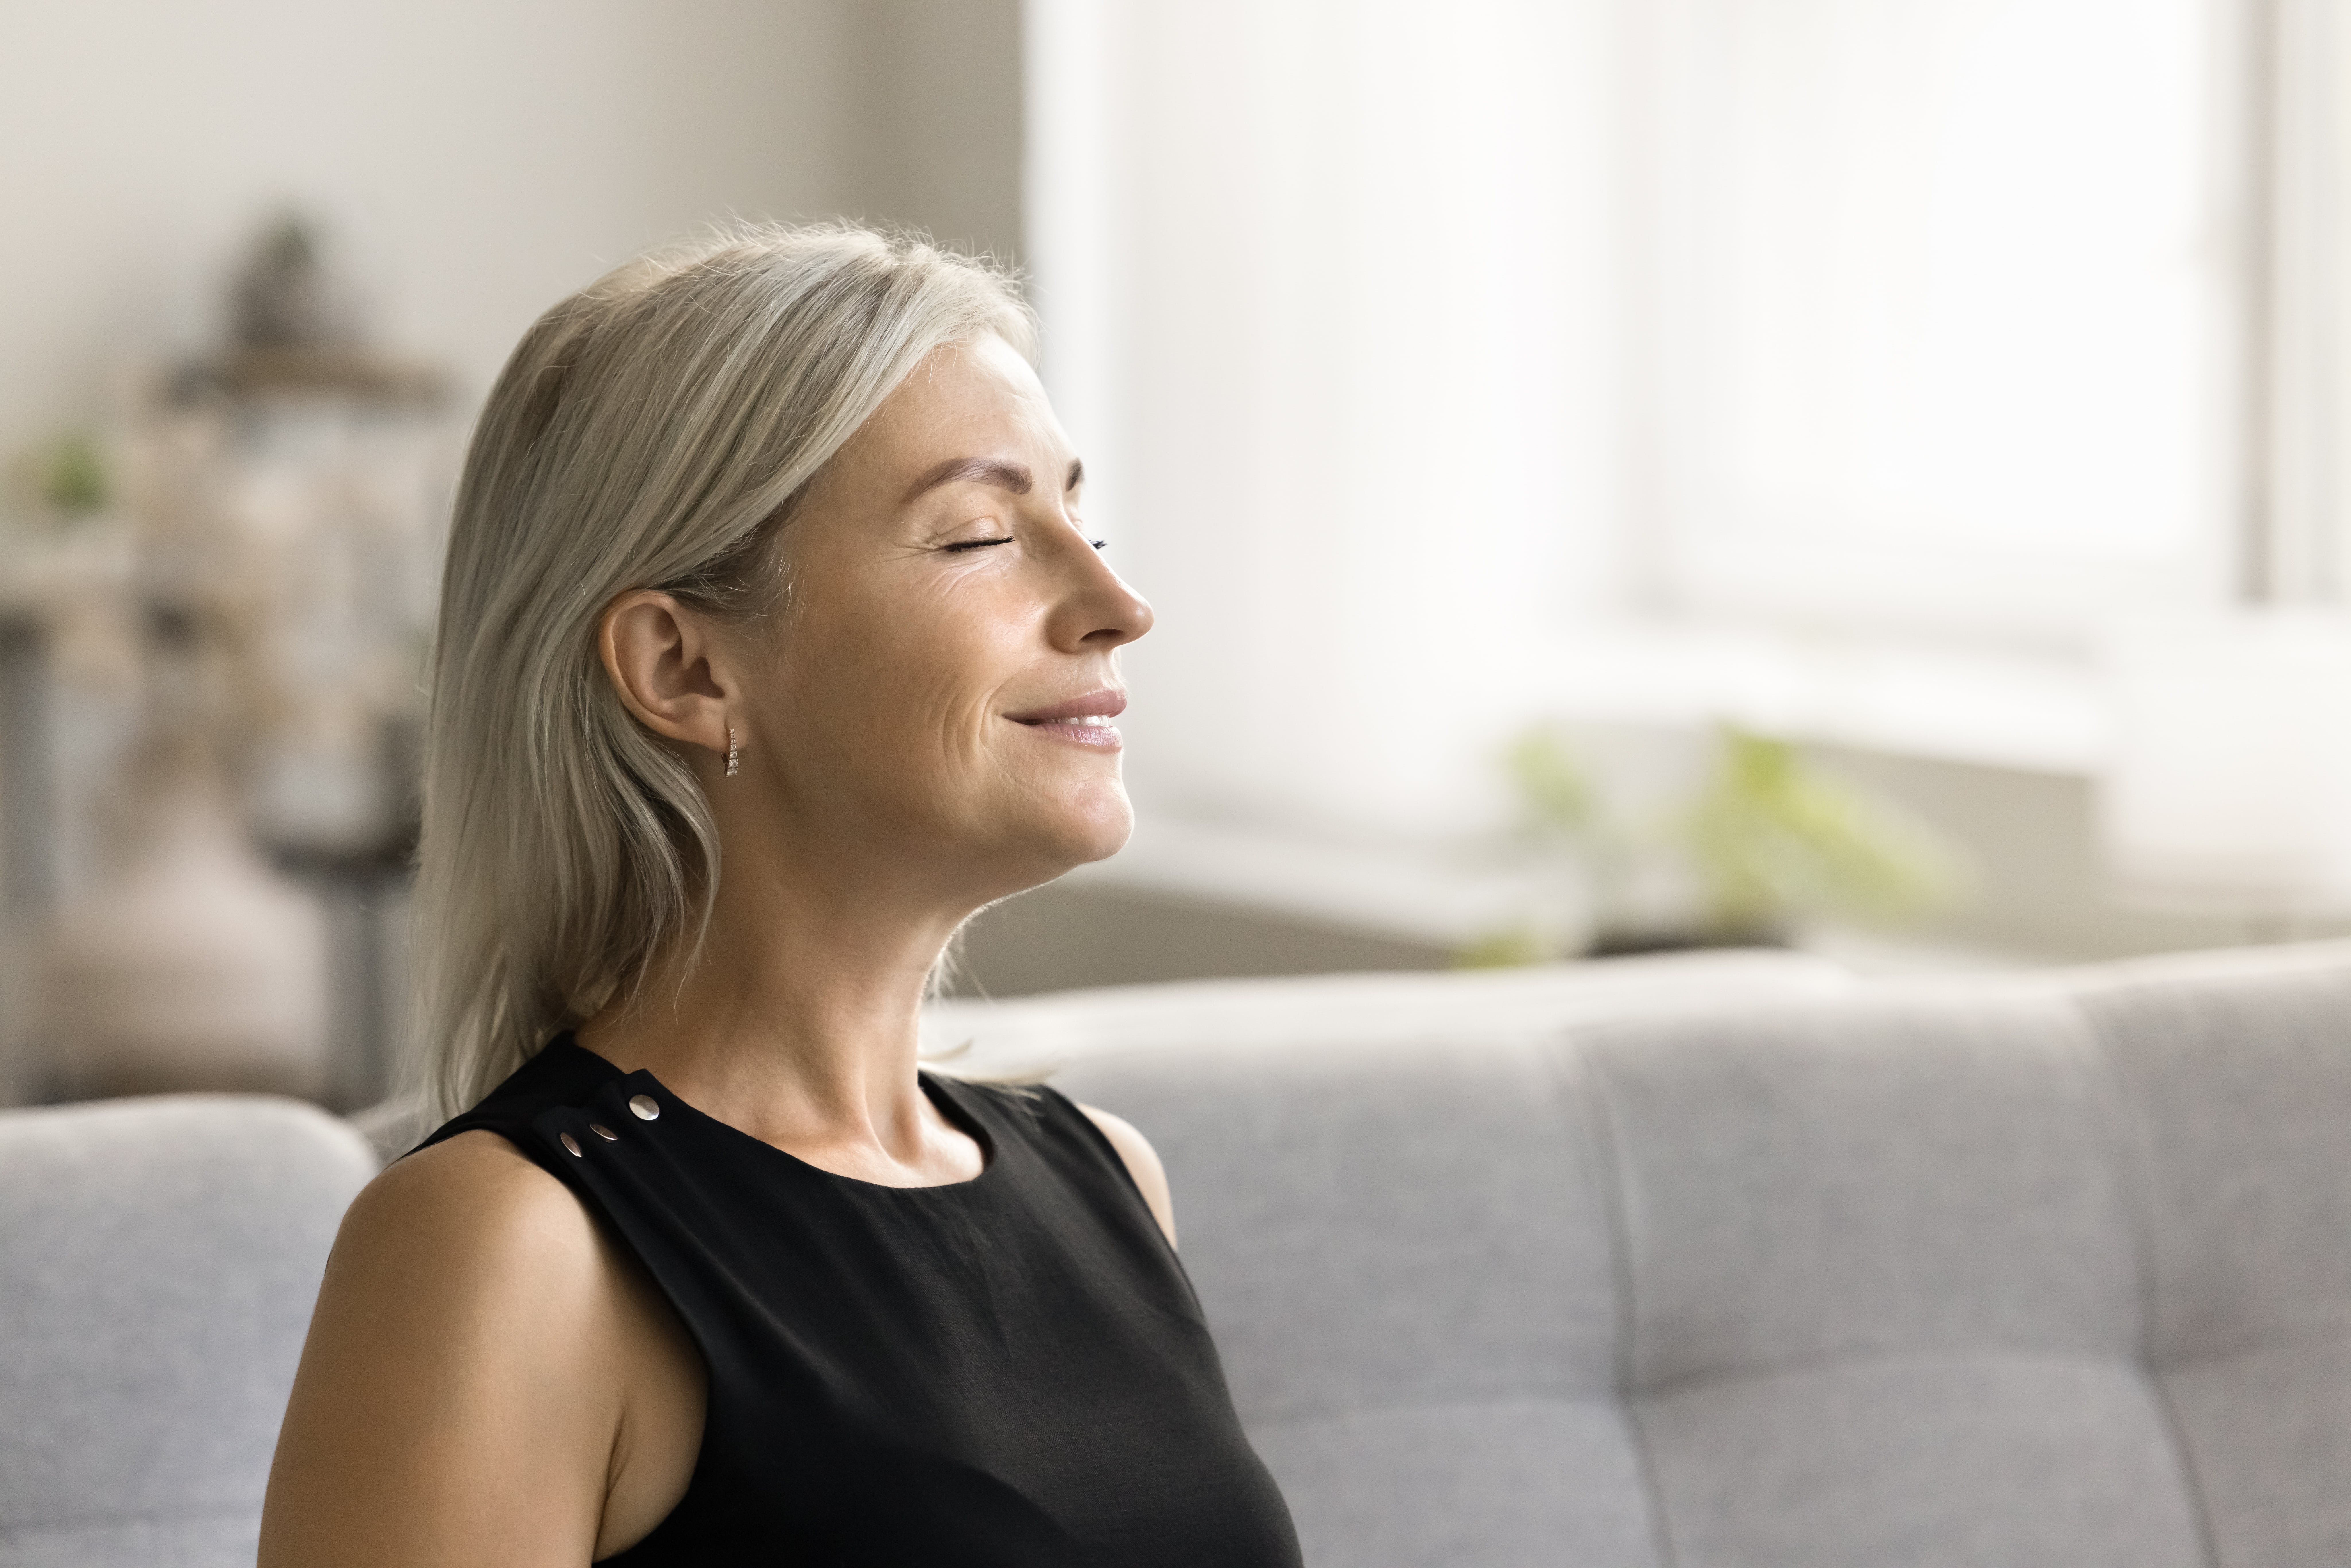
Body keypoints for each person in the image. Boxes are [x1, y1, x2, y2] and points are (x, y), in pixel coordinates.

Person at [258, 223, 1301, 1566]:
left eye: (1082, 522)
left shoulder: (1107, 1179)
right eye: (982, 535)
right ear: (685, 669)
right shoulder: (510, 1246)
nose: (1115, 601)